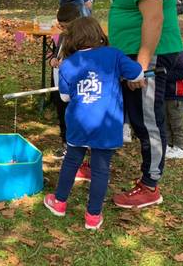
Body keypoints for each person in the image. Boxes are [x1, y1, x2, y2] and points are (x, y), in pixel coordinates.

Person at [87, 0, 183, 208]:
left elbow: (153, 19)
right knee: (127, 114)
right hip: (130, 54)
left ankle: (150, 185)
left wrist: (141, 65)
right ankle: (97, 164)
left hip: (149, 55)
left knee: (147, 121)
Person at [43, 17, 143, 230]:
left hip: (79, 122)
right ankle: (93, 216)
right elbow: (136, 72)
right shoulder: (114, 54)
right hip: (106, 124)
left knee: (72, 161)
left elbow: (64, 97)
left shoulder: (68, 63)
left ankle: (59, 202)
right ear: (98, 33)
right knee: (100, 169)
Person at [49, 3, 82, 160]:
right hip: (58, 82)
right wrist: (54, 60)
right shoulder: (62, 36)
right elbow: (57, 53)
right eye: (60, 26)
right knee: (61, 113)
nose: (62, 29)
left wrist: (67, 63)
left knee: (72, 115)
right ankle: (65, 143)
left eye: (65, 26)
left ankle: (75, 146)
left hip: (72, 85)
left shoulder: (81, 39)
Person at [165, 50, 183, 159]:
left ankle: (180, 147)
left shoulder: (182, 55)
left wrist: (164, 75)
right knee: (165, 121)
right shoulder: (165, 53)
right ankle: (168, 144)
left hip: (177, 95)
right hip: (165, 94)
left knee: (177, 122)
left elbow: (182, 72)